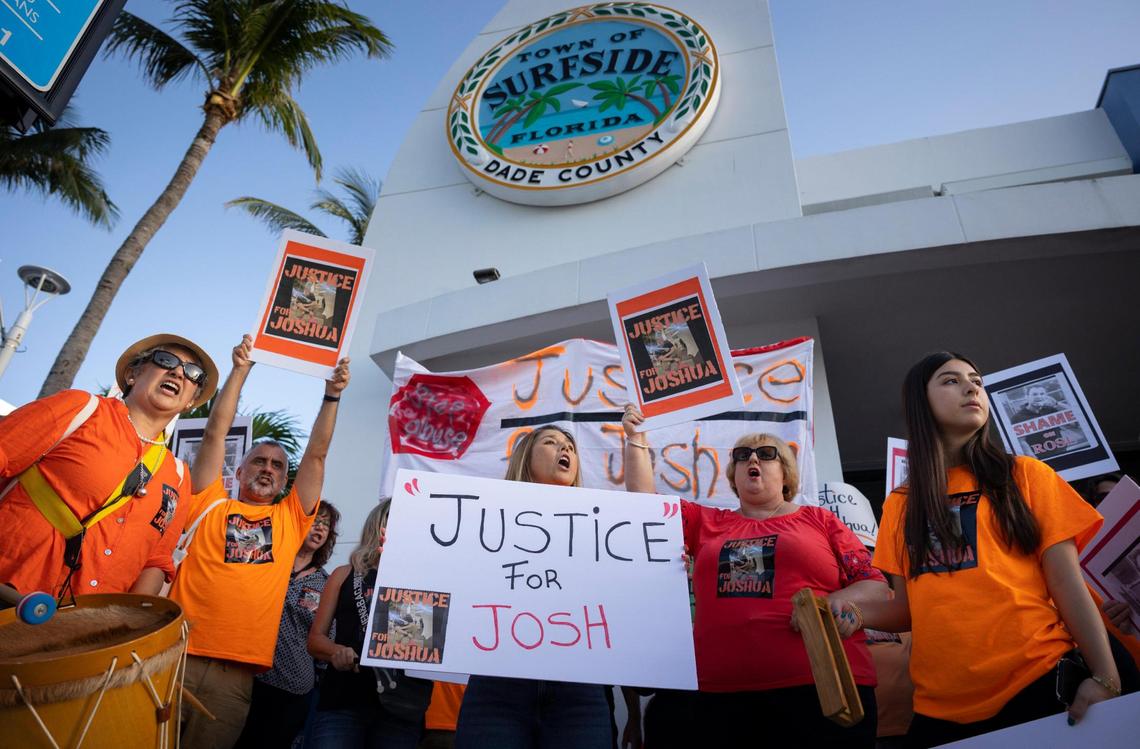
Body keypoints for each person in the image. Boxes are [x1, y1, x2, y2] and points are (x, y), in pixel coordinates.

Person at [849, 352, 1138, 747]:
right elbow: (906, 609)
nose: (971, 387)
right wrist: (842, 614)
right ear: (921, 402)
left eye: (976, 381)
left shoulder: (1026, 475)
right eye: (950, 380)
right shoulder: (901, 502)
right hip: (937, 708)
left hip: (1036, 680)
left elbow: (1067, 585)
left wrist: (1106, 677)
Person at [623, 405, 888, 747]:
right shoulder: (707, 523)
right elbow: (644, 506)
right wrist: (635, 439)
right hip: (720, 698)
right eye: (743, 455)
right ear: (733, 474)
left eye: (766, 454)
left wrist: (837, 601)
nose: (754, 459)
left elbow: (874, 586)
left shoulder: (820, 520)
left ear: (786, 473)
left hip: (822, 690)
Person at [172, 334, 350, 749]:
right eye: (258, 460)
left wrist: (332, 396)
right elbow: (216, 433)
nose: (268, 468)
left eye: (277, 465)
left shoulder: (290, 518)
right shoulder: (210, 501)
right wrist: (240, 371)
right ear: (238, 471)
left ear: (286, 480)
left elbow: (317, 455)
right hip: (174, 656)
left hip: (234, 676)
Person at [0, 333, 217, 600]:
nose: (178, 372)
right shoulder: (79, 409)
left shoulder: (180, 478)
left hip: (82, 634)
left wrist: (124, 628)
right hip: (9, 597)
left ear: (190, 402)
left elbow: (156, 563)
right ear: (132, 375)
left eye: (192, 372)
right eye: (165, 360)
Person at [454, 426, 614, 749]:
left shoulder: (604, 527)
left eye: (569, 446)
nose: (564, 450)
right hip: (497, 686)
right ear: (526, 456)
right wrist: (406, 555)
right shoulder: (482, 518)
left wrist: (663, 563)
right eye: (552, 443)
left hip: (579, 690)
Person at [307, 500, 433, 748]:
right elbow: (315, 639)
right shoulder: (343, 574)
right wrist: (336, 652)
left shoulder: (422, 579)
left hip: (400, 706)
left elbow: (423, 642)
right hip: (343, 699)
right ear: (379, 526)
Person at [234, 500, 341, 748]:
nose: (321, 529)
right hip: (246, 676)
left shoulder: (326, 584)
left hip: (292, 688)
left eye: (326, 526)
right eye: (316, 520)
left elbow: (328, 639)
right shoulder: (267, 560)